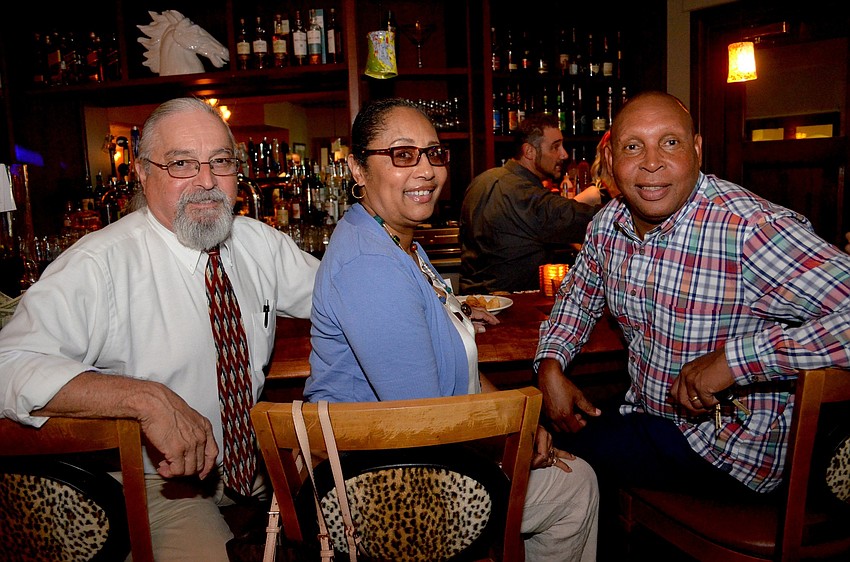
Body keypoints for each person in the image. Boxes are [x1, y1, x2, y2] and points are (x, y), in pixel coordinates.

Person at [0, 97, 320, 561]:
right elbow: (7, 365)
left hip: (250, 466)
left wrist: (445, 304)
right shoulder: (100, 264)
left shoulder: (258, 243)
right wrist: (145, 399)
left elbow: (342, 299)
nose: (207, 182)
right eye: (181, 164)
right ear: (142, 172)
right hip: (158, 483)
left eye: (221, 162)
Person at [534, 91, 850, 551]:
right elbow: (577, 299)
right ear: (609, 157)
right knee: (560, 439)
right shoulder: (608, 225)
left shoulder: (747, 228)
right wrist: (550, 364)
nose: (652, 164)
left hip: (731, 452)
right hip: (654, 421)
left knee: (546, 463)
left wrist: (737, 361)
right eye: (633, 146)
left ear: (697, 150)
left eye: (670, 143)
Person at [304, 97, 599, 562]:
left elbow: (457, 366)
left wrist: (514, 416)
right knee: (575, 484)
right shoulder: (371, 264)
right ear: (358, 170)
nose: (427, 170)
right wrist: (513, 432)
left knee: (570, 471)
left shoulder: (401, 246)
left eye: (434, 153)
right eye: (403, 154)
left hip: (402, 461)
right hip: (379, 489)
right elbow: (425, 417)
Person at [459, 113, 609, 294]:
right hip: (512, 307)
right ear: (529, 151)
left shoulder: (481, 181)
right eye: (555, 147)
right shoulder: (524, 193)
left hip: (472, 303)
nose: (564, 154)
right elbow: (578, 219)